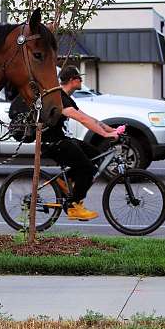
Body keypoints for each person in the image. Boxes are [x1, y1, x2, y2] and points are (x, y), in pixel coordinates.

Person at [42, 66, 119, 220]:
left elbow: (88, 117)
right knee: (88, 169)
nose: (81, 80)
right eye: (79, 78)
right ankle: (74, 206)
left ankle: (65, 180)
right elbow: (82, 120)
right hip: (54, 144)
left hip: (64, 140)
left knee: (97, 156)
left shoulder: (68, 98)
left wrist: (111, 130)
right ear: (72, 80)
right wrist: (104, 134)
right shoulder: (59, 99)